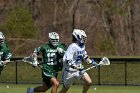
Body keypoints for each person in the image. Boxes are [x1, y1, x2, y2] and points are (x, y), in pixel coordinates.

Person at [59, 29, 98, 93]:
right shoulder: (72, 47)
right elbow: (68, 61)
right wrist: (77, 67)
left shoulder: (82, 46)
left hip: (78, 71)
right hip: (69, 72)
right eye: (83, 37)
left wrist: (91, 62)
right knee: (65, 89)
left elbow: (84, 56)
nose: (84, 39)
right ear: (78, 37)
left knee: (89, 82)